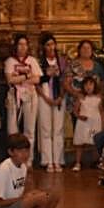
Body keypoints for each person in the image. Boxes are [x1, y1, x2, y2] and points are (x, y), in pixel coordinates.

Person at [36, 33, 68, 171]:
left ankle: (58, 160)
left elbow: (66, 79)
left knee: (58, 129)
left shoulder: (62, 61)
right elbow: (37, 82)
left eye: (52, 44)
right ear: (43, 47)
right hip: (45, 95)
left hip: (59, 95)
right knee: (45, 128)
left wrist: (61, 96)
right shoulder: (39, 62)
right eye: (48, 45)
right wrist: (45, 97)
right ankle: (47, 160)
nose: (51, 47)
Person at [3, 34, 41, 149]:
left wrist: (19, 79)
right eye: (20, 44)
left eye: (25, 44)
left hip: (30, 95)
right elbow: (10, 79)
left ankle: (28, 157)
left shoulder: (32, 60)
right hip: (14, 95)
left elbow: (37, 79)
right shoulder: (10, 61)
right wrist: (26, 76)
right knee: (12, 128)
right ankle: (14, 154)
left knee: (30, 128)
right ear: (15, 46)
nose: (23, 47)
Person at [71, 75, 103, 171]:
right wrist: (80, 116)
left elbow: (101, 112)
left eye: (90, 84)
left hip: (95, 122)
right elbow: (75, 111)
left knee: (95, 142)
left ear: (94, 85)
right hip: (83, 122)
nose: (88, 87)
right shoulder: (81, 97)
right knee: (80, 143)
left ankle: (97, 161)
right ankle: (78, 162)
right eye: (86, 85)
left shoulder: (98, 98)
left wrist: (103, 125)